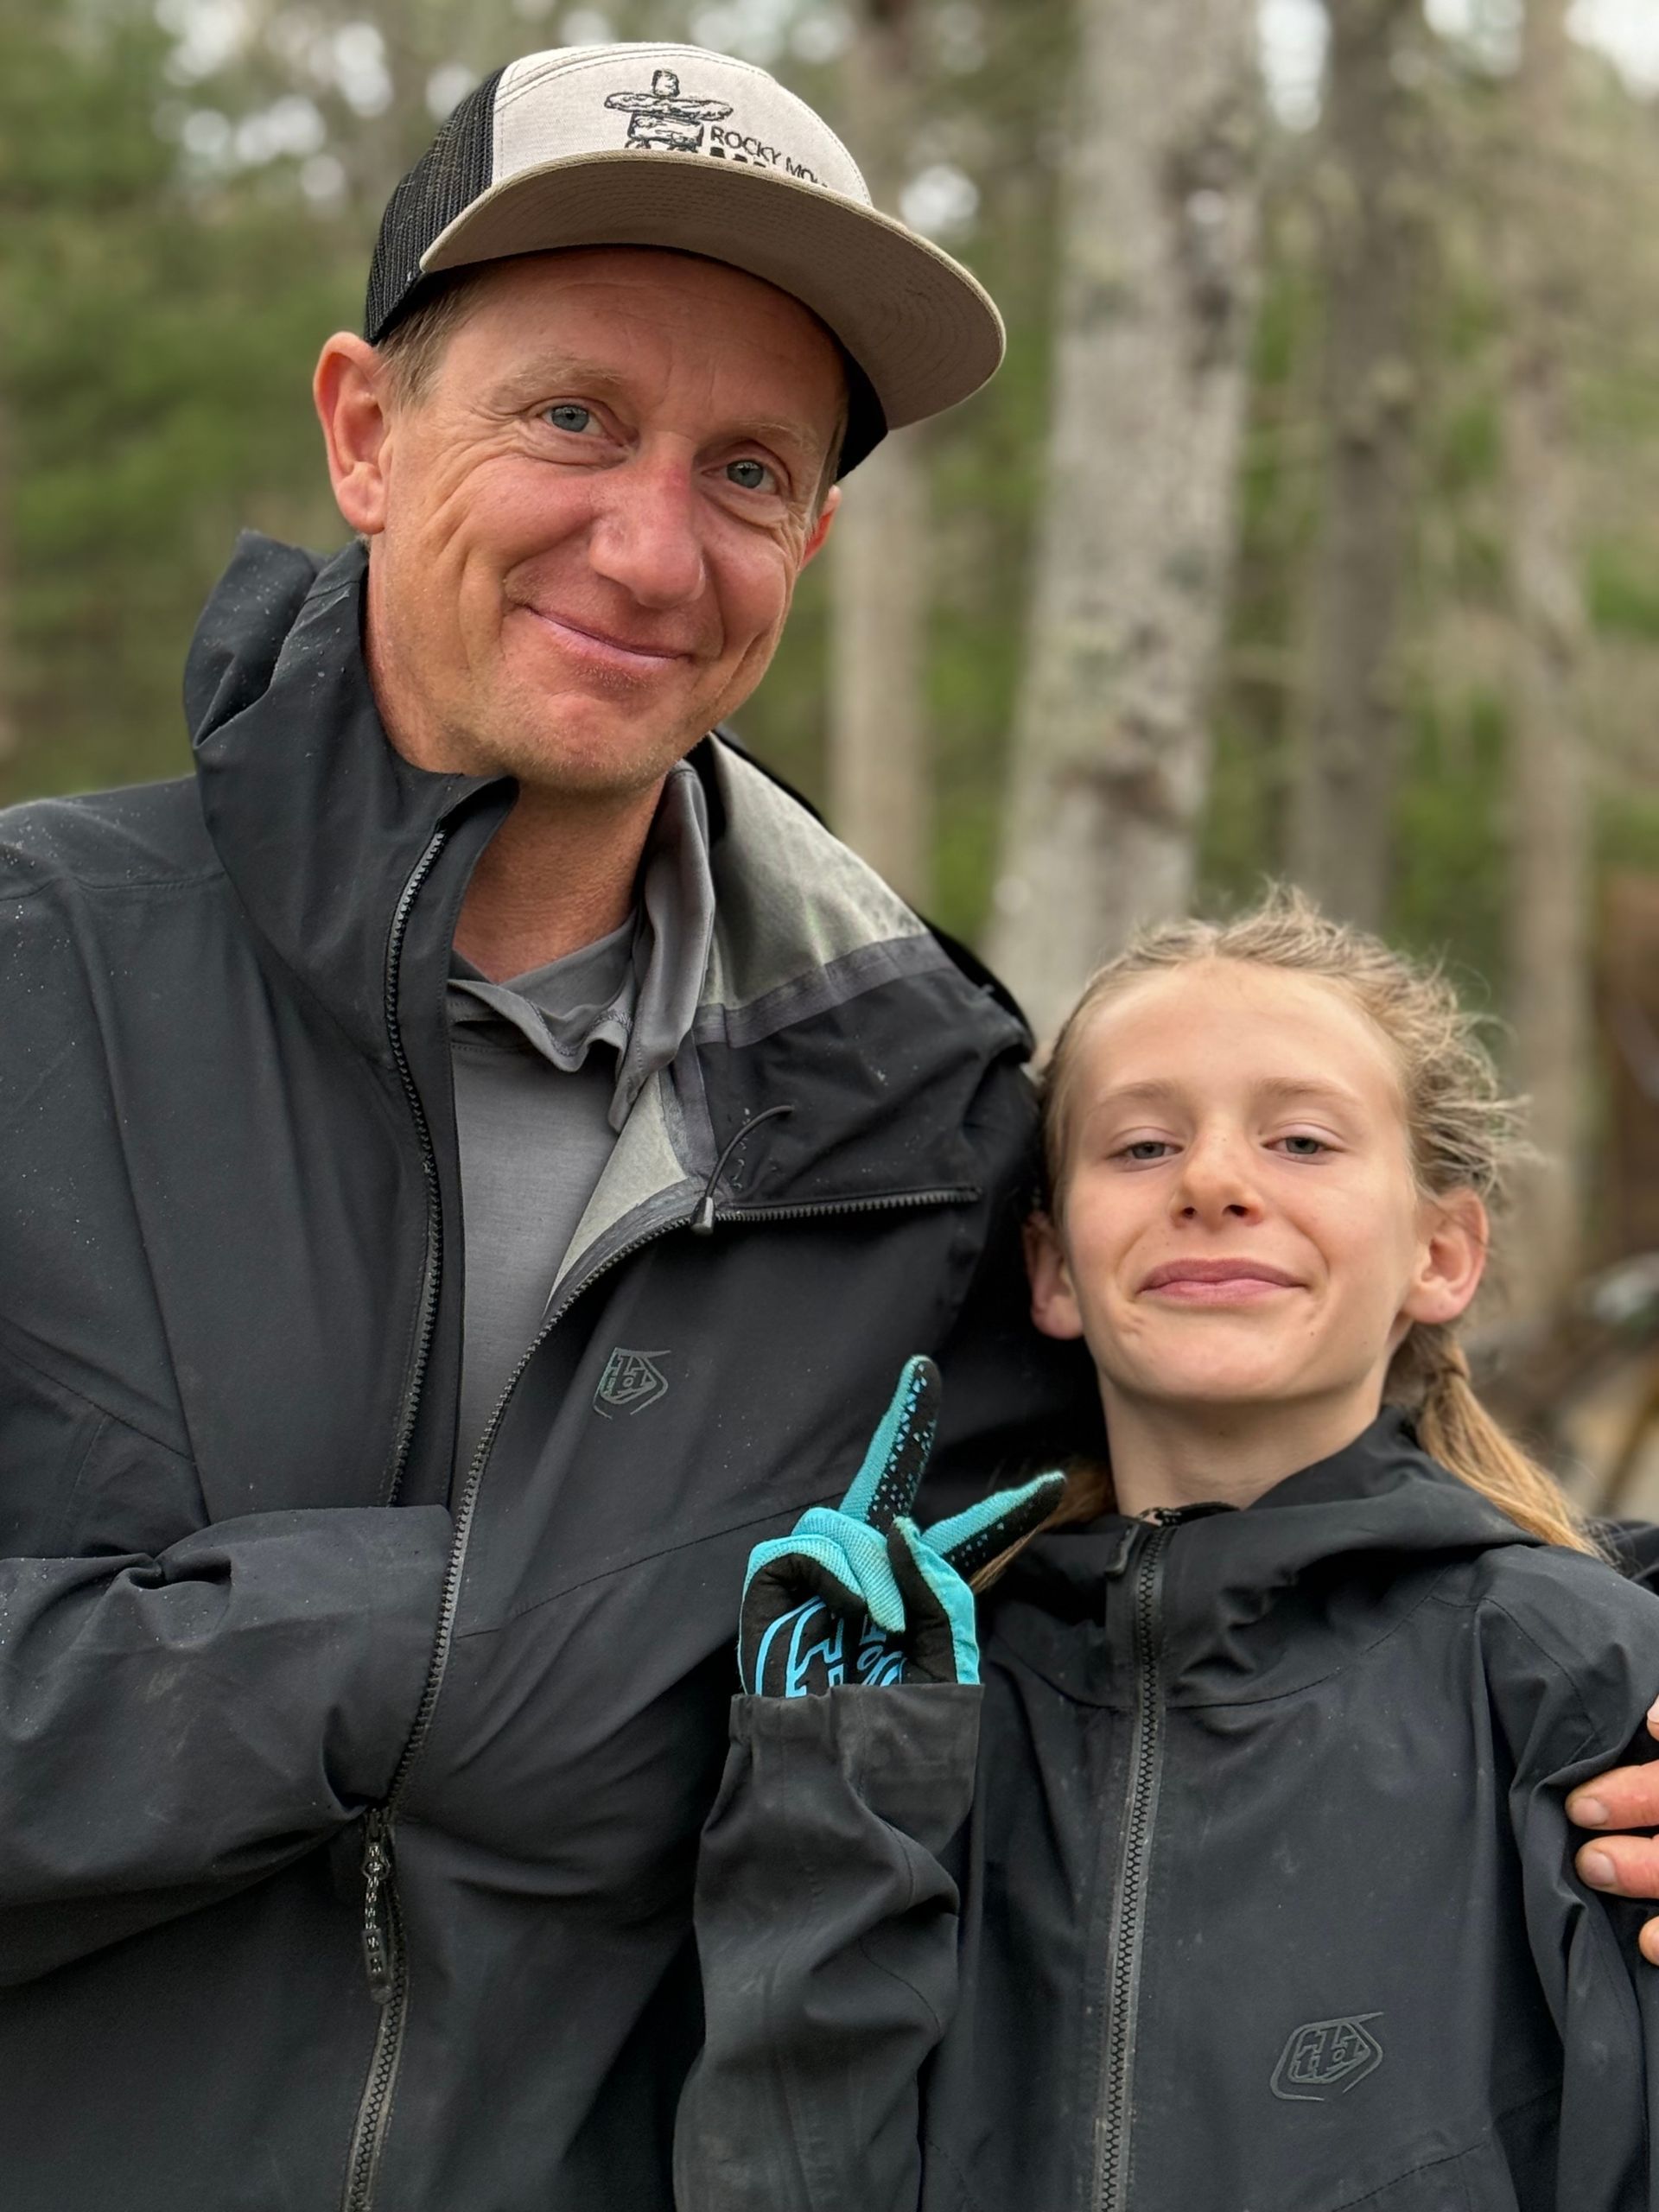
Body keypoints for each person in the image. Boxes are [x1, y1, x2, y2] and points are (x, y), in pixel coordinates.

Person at [0, 43, 1091, 2212]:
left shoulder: (938, 1126)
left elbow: (1174, 1639)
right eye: (574, 415)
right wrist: (404, 1649)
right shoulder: (36, 968)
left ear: (815, 538)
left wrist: (1569, 1725)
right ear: (366, 432)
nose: (651, 538)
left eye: (752, 469)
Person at [677, 892, 1659, 2212]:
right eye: (1141, 1146)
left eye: (1302, 1139)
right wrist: (828, 1800)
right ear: (1054, 1269)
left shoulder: (1580, 1676)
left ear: (1443, 1252)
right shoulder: (916, 1703)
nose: (1212, 1181)